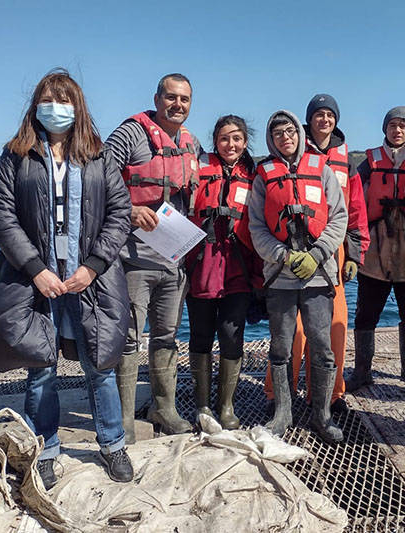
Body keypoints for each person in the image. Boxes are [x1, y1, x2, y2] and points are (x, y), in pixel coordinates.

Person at [0, 69, 134, 489]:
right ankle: (45, 448)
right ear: (35, 106)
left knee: (99, 364)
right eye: (48, 100)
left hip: (90, 281)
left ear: (77, 107)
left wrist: (93, 266)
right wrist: (36, 269)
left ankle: (113, 443)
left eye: (64, 101)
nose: (56, 108)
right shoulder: (16, 155)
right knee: (40, 368)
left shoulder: (99, 155)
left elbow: (120, 215)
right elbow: (1, 217)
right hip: (37, 283)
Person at [104, 73, 201, 439]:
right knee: (129, 338)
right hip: (132, 258)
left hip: (173, 258)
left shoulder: (191, 144)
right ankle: (125, 418)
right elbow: (97, 177)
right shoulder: (130, 134)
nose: (178, 105)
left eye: (185, 100)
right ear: (157, 98)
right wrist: (128, 210)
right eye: (171, 97)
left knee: (167, 335)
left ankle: (164, 407)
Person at [262, 94, 369, 414]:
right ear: (308, 121)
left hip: (330, 253)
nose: (324, 120)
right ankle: (277, 394)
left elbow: (355, 210)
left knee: (334, 325)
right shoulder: (294, 153)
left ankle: (331, 395)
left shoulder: (345, 161)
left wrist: (354, 254)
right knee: (291, 330)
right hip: (291, 253)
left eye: (329, 115)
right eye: (318, 115)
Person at [248, 110, 348, 443]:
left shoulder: (322, 170)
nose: (285, 137)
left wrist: (317, 254)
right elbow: (257, 228)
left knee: (322, 347)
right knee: (280, 347)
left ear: (299, 134)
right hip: (280, 277)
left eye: (290, 131)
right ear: (271, 139)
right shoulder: (263, 176)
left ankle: (321, 414)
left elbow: (338, 218)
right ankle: (283, 413)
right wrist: (284, 256)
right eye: (277, 133)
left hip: (319, 276)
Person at [185, 115, 261, 429]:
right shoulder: (199, 167)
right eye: (225, 138)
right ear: (215, 140)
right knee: (200, 334)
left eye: (237, 138)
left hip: (238, 269)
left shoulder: (254, 175)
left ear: (245, 142)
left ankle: (226, 406)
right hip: (203, 265)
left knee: (232, 336)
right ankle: (203, 404)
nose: (231, 145)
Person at [345, 106, 405, 392]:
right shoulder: (369, 161)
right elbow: (351, 194)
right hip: (376, 247)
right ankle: (362, 371)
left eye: (403, 126)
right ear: (385, 129)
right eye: (392, 125)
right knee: (366, 312)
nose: (397, 130)